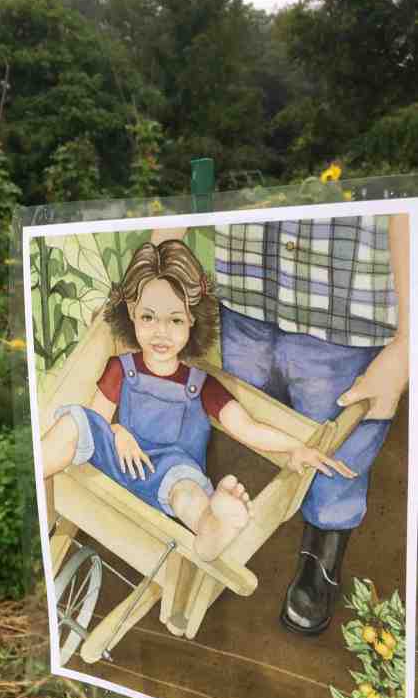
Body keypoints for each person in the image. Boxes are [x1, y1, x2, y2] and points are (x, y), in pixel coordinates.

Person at [151, 215, 409, 634]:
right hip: (248, 286)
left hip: (344, 305)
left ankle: (322, 548)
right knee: (250, 420)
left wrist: (406, 342)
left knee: (337, 445)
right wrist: (152, 274)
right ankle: (237, 524)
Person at [41, 239, 355, 564]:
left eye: (175, 320)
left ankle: (213, 528)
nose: (161, 332)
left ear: (192, 321)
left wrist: (295, 447)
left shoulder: (202, 385)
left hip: (171, 474)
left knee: (188, 493)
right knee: (73, 422)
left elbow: (248, 427)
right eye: (149, 317)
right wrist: (119, 432)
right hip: (122, 458)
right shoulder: (121, 368)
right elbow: (95, 422)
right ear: (132, 313)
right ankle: (36, 487)